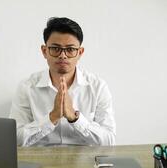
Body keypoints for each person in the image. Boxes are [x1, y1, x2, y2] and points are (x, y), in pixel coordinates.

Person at [9, 17, 116, 147]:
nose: (63, 55)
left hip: (85, 161)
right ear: (44, 51)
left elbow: (109, 141)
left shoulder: (98, 86)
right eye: (55, 48)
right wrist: (52, 117)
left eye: (70, 49)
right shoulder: (26, 87)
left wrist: (75, 118)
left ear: (80, 52)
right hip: (40, 161)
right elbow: (14, 140)